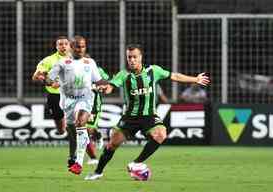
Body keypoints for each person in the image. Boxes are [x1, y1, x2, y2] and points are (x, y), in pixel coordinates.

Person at [85, 44, 210, 180]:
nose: (132, 60)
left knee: (160, 134)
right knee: (112, 144)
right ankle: (98, 172)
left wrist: (195, 79)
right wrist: (104, 88)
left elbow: (174, 76)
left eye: (134, 57)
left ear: (141, 57)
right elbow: (110, 87)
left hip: (149, 116)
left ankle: (136, 163)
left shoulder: (153, 71)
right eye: (129, 57)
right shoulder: (124, 75)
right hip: (130, 117)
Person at [46, 35, 107, 175]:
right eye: (78, 46)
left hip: (85, 99)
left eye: (83, 46)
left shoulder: (90, 62)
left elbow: (98, 80)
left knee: (80, 123)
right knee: (73, 131)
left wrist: (106, 86)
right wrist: (50, 82)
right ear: (72, 47)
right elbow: (49, 79)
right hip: (67, 101)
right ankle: (92, 137)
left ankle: (78, 163)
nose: (81, 49)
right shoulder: (62, 62)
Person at [32, 36, 79, 168]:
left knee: (74, 127)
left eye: (65, 44)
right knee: (61, 130)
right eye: (60, 44)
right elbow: (36, 76)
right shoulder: (49, 60)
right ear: (56, 47)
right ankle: (65, 132)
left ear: (70, 45)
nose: (63, 46)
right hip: (55, 96)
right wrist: (46, 80)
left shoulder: (77, 59)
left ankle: (74, 156)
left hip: (73, 97)